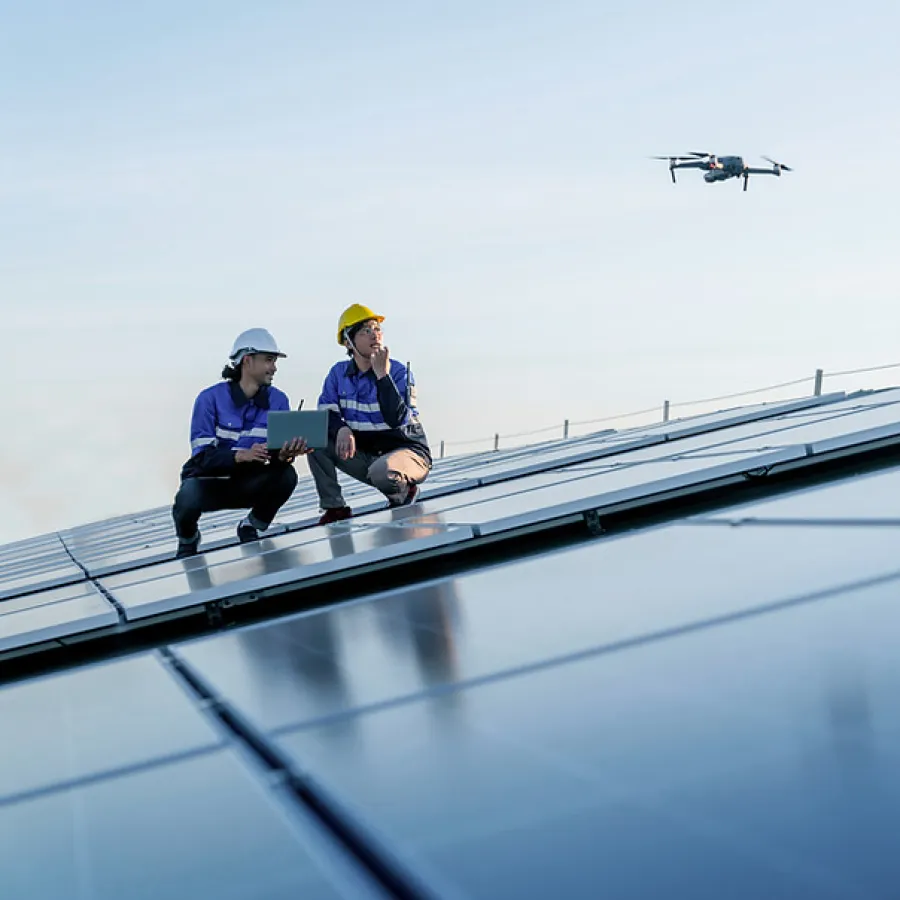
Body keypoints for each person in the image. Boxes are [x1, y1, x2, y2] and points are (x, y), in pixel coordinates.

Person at [171, 327, 307, 558]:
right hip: (211, 485)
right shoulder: (209, 399)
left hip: (250, 483)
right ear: (247, 360)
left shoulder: (278, 400)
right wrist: (240, 455)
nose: (274, 368)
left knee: (287, 476)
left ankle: (251, 525)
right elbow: (202, 458)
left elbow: (274, 457)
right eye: (269, 360)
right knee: (188, 496)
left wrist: (285, 456)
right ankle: (188, 539)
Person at [308, 304, 432, 524]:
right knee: (315, 439)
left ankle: (405, 493)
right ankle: (335, 508)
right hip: (370, 456)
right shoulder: (338, 374)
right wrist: (342, 428)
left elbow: (397, 419)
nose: (375, 334)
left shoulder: (399, 372)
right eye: (366, 330)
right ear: (348, 341)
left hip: (407, 451)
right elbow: (325, 413)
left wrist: (382, 375)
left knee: (382, 471)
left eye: (377, 328)